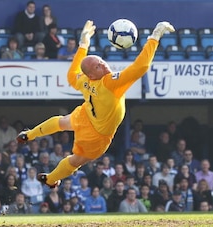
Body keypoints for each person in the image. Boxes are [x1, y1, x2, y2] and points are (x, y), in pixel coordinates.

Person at [16, 20, 175, 188]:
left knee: (63, 122)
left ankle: (29, 134)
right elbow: (141, 66)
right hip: (98, 134)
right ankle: (50, 179)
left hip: (86, 115)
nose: (103, 65)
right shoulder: (110, 83)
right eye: (98, 66)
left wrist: (83, 44)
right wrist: (154, 37)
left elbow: (72, 74)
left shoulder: (85, 80)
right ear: (92, 74)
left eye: (101, 61)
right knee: (77, 160)